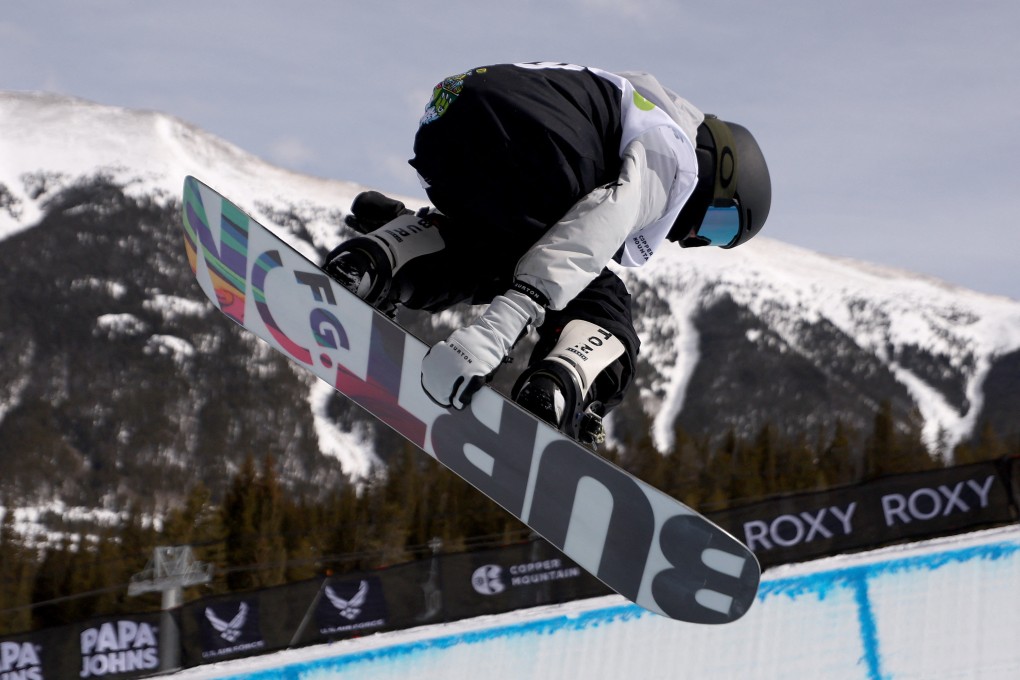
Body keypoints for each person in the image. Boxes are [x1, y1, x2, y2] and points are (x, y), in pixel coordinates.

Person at [322, 62, 771, 447]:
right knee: (602, 298)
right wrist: (499, 329)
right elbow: (600, 224)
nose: (690, 238)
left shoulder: (626, 98)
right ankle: (557, 385)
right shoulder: (674, 151)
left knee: (487, 249)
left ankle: (378, 259)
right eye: (717, 225)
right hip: (538, 147)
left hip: (448, 120)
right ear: (719, 165)